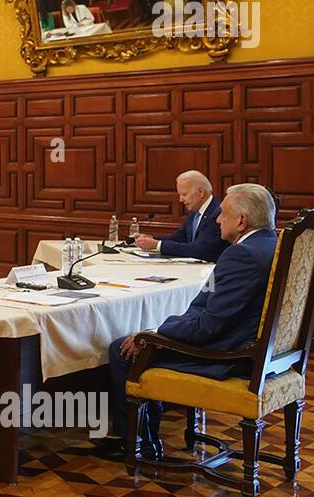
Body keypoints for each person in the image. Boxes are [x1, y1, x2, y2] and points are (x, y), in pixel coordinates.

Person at [99, 183, 279, 458]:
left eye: (223, 213)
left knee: (123, 349)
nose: (217, 219)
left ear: (241, 221)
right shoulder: (271, 244)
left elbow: (209, 325)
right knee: (149, 341)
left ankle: (136, 444)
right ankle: (146, 435)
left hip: (230, 356)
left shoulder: (241, 254)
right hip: (263, 353)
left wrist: (154, 333)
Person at [134, 170, 230, 262]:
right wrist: (151, 239)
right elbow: (179, 238)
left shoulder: (217, 213)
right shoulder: (195, 211)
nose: (180, 200)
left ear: (201, 192)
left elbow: (200, 250)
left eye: (184, 194)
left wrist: (157, 245)